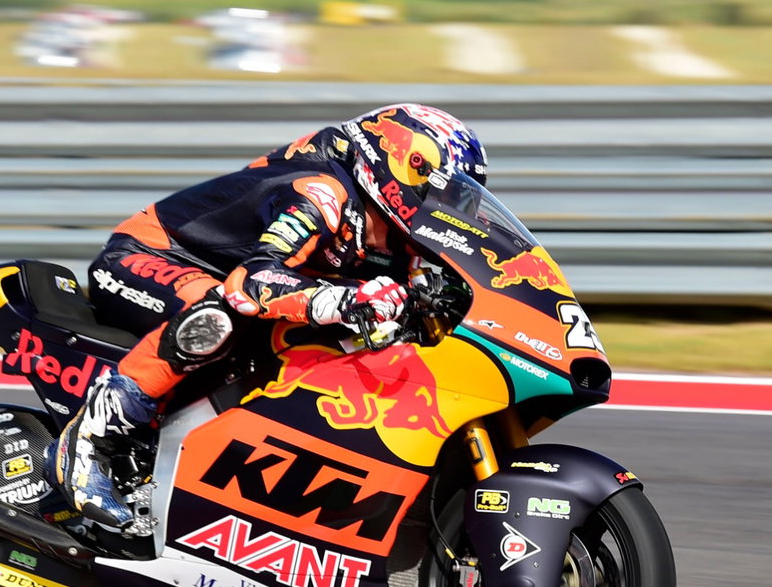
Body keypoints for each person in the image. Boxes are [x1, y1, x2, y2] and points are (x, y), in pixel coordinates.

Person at [55, 103, 488, 534]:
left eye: (459, 198)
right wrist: (348, 299)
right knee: (217, 315)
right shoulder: (321, 194)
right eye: (443, 194)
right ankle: (90, 439)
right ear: (403, 166)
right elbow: (252, 283)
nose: (448, 207)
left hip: (224, 277)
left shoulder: (400, 242)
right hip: (151, 255)